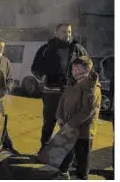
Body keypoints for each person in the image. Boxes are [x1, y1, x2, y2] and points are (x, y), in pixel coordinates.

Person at [31, 23, 89, 154]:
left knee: (69, 124)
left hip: (71, 94)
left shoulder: (78, 50)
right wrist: (44, 78)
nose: (67, 34)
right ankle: (44, 149)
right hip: (51, 93)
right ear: (56, 33)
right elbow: (35, 68)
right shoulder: (46, 49)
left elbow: (88, 67)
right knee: (49, 123)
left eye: (69, 32)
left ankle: (67, 154)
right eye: (64, 32)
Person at [55, 56, 101, 180]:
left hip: (84, 130)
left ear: (88, 70)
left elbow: (87, 111)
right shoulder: (72, 82)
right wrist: (59, 116)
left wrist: (70, 124)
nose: (74, 72)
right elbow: (62, 100)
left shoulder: (92, 88)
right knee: (67, 150)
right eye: (73, 68)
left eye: (78, 69)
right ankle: (63, 171)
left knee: (82, 156)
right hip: (68, 126)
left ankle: (82, 176)